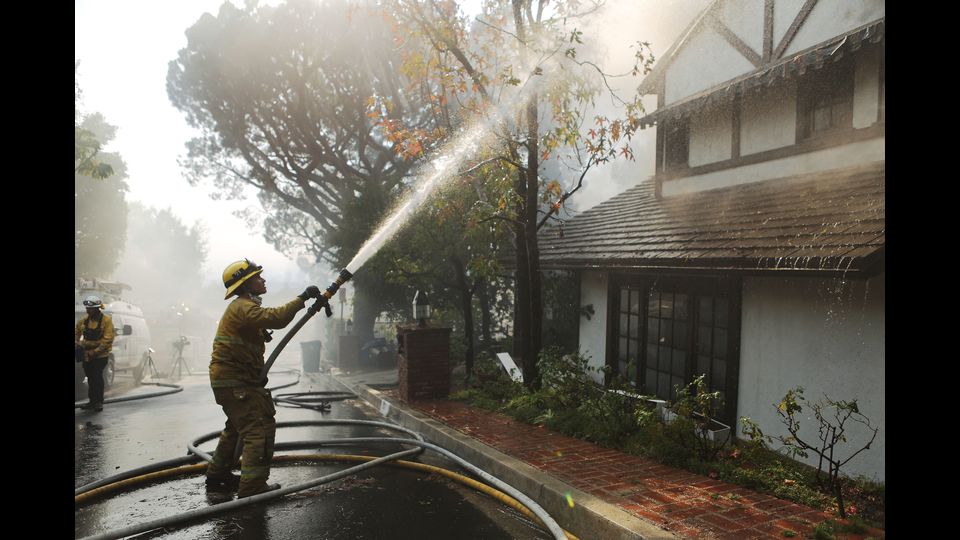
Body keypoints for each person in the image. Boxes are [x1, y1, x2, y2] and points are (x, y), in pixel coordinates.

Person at [204, 258, 320, 498]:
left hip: (236, 380)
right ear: (246, 285)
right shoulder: (242, 307)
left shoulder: (244, 306)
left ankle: (218, 474)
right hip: (235, 381)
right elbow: (276, 318)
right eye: (258, 277)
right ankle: (253, 487)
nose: (263, 279)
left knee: (236, 427)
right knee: (258, 428)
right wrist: (302, 298)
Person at [74, 295, 115, 412]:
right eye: (87, 308)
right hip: (87, 355)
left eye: (90, 309)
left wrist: (95, 352)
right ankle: (92, 402)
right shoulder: (84, 320)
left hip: (100, 356)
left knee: (97, 377)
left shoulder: (106, 321)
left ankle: (98, 402)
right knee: (90, 378)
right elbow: (76, 331)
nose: (88, 311)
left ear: (97, 309)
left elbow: (108, 340)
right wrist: (77, 343)